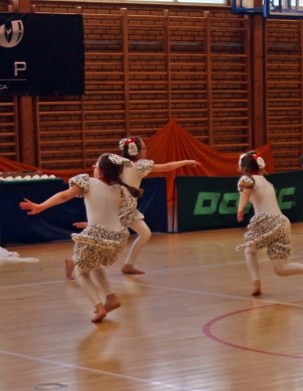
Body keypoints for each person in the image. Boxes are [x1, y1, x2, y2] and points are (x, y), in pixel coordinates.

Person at [19, 154, 139, 323]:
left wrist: (40, 206)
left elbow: (64, 196)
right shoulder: (121, 190)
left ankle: (99, 307)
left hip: (95, 236)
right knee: (95, 264)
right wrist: (91, 223)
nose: (93, 168)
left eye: (95, 165)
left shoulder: (88, 182)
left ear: (101, 170)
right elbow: (117, 215)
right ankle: (111, 297)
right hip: (116, 238)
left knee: (81, 272)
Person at [236, 151, 303, 296]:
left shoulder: (247, 179)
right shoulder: (267, 182)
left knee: (249, 250)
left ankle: (256, 284)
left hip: (266, 220)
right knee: (280, 268)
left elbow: (246, 192)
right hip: (282, 222)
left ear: (244, 167)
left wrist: (240, 209)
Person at [117, 136, 199, 275]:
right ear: (135, 151)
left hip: (124, 206)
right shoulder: (139, 165)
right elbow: (167, 167)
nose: (146, 150)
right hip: (121, 207)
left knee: (144, 233)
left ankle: (128, 265)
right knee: (105, 237)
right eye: (144, 148)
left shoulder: (119, 163)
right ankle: (81, 261)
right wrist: (186, 161)